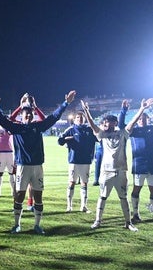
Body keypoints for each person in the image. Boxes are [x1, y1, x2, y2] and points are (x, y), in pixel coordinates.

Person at [0, 90, 76, 234]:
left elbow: (54, 117)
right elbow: (3, 121)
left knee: (38, 196)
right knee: (19, 195)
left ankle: (37, 225)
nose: (29, 115)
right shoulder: (16, 128)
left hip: (37, 167)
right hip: (22, 167)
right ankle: (17, 225)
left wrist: (66, 103)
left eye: (31, 113)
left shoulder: (38, 127)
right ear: (22, 116)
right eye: (27, 114)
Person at [82, 98, 153, 231]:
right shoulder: (102, 135)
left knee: (123, 198)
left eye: (111, 122)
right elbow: (93, 126)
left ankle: (128, 223)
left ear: (115, 123)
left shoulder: (122, 133)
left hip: (121, 171)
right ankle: (98, 221)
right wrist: (86, 112)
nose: (108, 124)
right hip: (106, 172)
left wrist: (142, 109)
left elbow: (132, 123)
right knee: (102, 197)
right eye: (106, 122)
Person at [118, 99, 153, 224]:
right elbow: (121, 126)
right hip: (139, 165)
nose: (142, 120)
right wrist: (123, 110)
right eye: (139, 119)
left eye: (144, 119)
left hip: (152, 165)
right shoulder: (134, 131)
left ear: (148, 119)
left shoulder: (151, 128)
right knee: (136, 189)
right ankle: (136, 213)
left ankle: (151, 208)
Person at [57, 111, 97, 213]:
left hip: (86, 161)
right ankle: (69, 206)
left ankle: (84, 206)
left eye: (82, 117)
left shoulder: (90, 129)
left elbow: (99, 138)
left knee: (84, 183)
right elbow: (60, 141)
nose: (80, 119)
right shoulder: (71, 129)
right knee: (71, 183)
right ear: (74, 120)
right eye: (78, 117)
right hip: (74, 161)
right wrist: (66, 139)